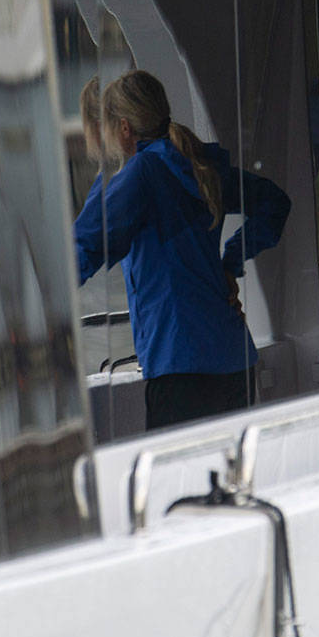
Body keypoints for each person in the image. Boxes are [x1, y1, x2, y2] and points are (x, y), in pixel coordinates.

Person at [73, 70, 290, 429]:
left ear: (124, 128)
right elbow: (274, 203)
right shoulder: (199, 164)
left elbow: (85, 246)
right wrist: (230, 262)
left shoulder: (140, 174)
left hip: (180, 368)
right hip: (234, 360)